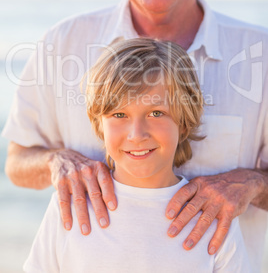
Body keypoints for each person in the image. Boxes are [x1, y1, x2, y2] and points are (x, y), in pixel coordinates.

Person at [2, 0, 268, 271]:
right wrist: (57, 161)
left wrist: (252, 183)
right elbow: (18, 161)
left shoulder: (261, 55)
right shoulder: (62, 44)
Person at [23, 38, 251, 273]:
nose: (137, 134)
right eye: (120, 115)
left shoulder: (215, 219)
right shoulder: (69, 207)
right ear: (100, 125)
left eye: (155, 112)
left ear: (183, 122)